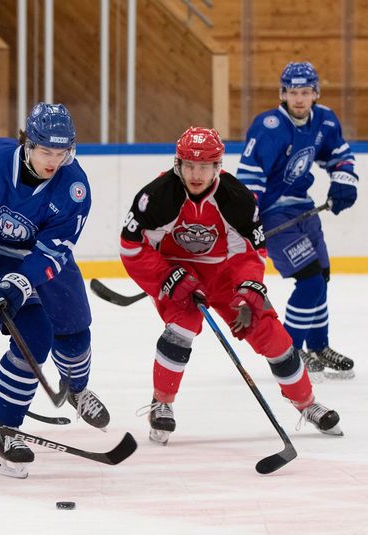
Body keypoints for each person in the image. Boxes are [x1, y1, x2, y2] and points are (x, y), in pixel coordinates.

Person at [119, 126, 342, 445]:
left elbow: (251, 251)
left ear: (217, 166)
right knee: (182, 327)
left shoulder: (236, 198)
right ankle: (162, 403)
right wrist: (166, 276)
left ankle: (307, 403)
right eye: (190, 165)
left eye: (205, 166)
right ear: (178, 164)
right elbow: (132, 248)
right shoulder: (156, 197)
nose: (197, 174)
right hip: (176, 271)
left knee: (272, 334)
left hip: (223, 275)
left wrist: (249, 285)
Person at [0, 102, 110, 478]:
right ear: (28, 143)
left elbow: (54, 250)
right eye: (47, 151)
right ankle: (7, 431)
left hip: (42, 257)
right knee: (33, 337)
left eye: (62, 153)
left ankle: (76, 389)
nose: (54, 161)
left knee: (75, 333)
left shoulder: (74, 188)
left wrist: (18, 284)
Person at [237, 61, 358, 380]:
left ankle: (319, 346)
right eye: (293, 92)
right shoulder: (270, 126)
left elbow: (340, 155)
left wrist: (344, 180)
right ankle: (288, 352)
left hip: (303, 209)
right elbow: (249, 177)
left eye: (306, 92)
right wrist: (248, 222)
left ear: (315, 93)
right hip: (273, 213)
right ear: (283, 94)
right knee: (310, 280)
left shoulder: (325, 120)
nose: (300, 99)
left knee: (322, 277)